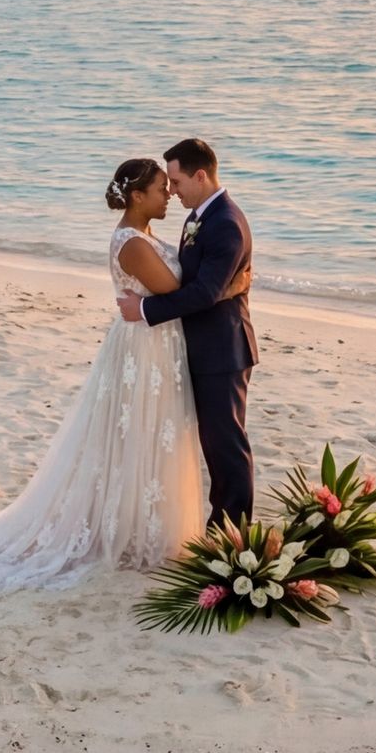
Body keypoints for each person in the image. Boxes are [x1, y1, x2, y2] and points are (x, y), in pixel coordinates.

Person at [0, 157, 206, 593]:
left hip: (156, 345)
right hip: (143, 351)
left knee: (148, 433)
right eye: (161, 188)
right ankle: (122, 528)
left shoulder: (146, 235)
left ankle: (140, 523)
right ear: (138, 196)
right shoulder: (133, 244)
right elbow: (173, 290)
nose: (168, 196)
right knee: (136, 433)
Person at [116, 137, 256, 530]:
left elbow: (204, 292)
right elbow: (201, 283)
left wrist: (144, 309)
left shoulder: (225, 223)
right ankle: (219, 525)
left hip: (221, 351)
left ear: (200, 175)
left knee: (226, 446)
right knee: (210, 444)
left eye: (176, 182)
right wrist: (229, 287)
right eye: (166, 186)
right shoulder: (199, 217)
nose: (172, 191)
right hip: (195, 348)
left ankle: (233, 532)